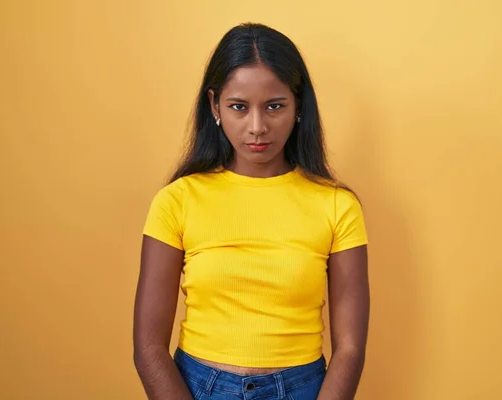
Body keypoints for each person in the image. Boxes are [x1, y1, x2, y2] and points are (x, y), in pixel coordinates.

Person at [133, 22, 369, 400]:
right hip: (196, 388)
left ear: (298, 106)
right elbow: (148, 348)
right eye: (238, 107)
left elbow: (351, 348)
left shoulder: (338, 206)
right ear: (214, 106)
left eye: (274, 106)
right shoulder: (176, 201)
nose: (257, 127)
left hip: (303, 390)